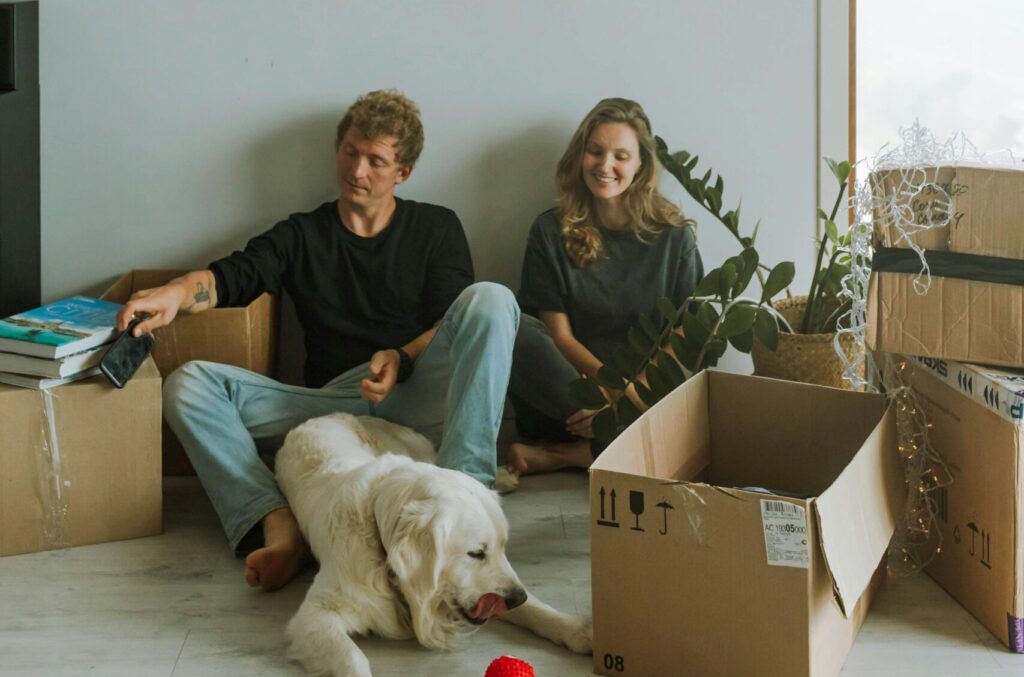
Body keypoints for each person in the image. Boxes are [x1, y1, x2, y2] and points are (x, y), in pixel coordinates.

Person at [116, 90, 519, 591]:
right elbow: (234, 275)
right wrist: (176, 295)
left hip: (412, 390)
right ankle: (276, 522)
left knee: (493, 299)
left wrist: (401, 357)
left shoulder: (436, 226)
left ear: (404, 172)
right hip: (331, 411)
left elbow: (453, 323)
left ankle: (468, 497)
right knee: (187, 385)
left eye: (376, 160)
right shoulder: (303, 234)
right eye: (350, 152)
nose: (357, 170)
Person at [507, 97, 703, 475]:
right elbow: (558, 336)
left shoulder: (674, 236)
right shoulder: (550, 231)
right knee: (513, 330)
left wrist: (628, 398)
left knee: (690, 367)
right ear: (580, 155)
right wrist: (607, 393)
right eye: (595, 151)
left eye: (620, 156)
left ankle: (571, 455)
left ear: (642, 164)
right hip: (573, 396)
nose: (605, 166)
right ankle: (607, 446)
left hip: (644, 395)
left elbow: (684, 333)